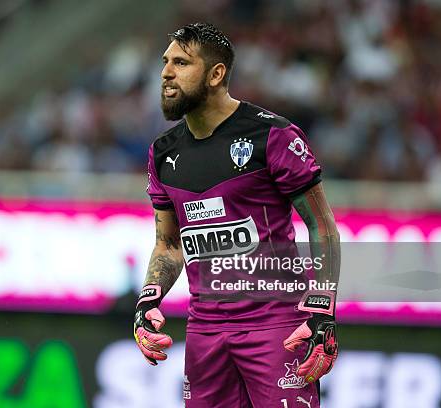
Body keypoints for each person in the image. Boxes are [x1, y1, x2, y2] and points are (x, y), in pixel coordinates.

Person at [133, 23, 340, 407]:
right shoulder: (162, 153)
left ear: (216, 74)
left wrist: (323, 309)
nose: (166, 72)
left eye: (181, 62)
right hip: (205, 332)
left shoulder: (274, 136)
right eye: (165, 62)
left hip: (275, 326)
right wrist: (148, 301)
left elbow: (321, 224)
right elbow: (168, 242)